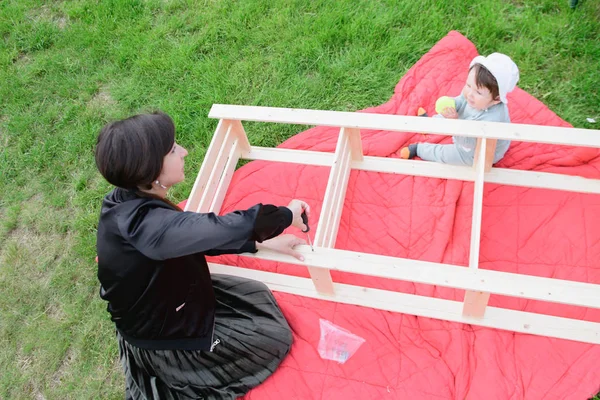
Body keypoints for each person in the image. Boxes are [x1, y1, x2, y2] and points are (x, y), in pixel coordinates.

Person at [95, 111, 310, 399]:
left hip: (176, 295)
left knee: (254, 295)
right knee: (273, 337)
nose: (183, 151)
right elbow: (224, 227)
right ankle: (181, 372)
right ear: (151, 171)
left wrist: (261, 245)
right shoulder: (149, 229)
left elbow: (197, 238)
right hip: (167, 333)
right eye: (172, 150)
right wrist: (287, 215)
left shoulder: (128, 198)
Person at [398, 53, 520, 166]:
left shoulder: (491, 121)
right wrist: (451, 104)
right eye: (468, 85)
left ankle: (419, 149)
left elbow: (468, 142)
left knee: (445, 154)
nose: (470, 94)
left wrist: (455, 124)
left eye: (478, 92)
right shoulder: (472, 94)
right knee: (447, 114)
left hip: (474, 151)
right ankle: (428, 124)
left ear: (496, 99)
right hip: (462, 126)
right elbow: (462, 100)